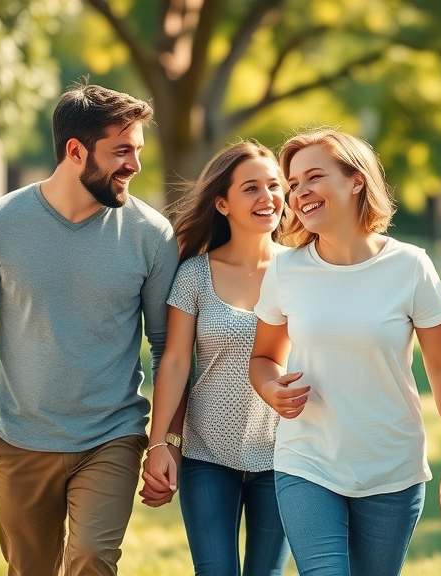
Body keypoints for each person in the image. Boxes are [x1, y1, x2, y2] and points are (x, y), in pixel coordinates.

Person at [0, 82, 179, 576]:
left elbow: (168, 348)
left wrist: (164, 443)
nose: (134, 164)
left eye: (137, 150)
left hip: (112, 434)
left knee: (92, 558)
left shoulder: (151, 235)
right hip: (22, 436)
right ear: (75, 151)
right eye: (121, 151)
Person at [248, 128, 441, 576]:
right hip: (307, 460)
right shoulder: (286, 268)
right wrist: (270, 388)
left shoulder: (410, 266)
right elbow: (263, 359)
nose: (299, 193)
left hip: (392, 464)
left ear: (356, 181)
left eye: (313, 177)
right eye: (293, 184)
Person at [138, 141, 291, 575]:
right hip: (208, 455)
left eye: (274, 185)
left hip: (285, 455)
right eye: (251, 189)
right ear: (221, 203)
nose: (268, 198)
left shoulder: (302, 270)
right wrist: (159, 444)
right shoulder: (194, 274)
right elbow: (174, 364)